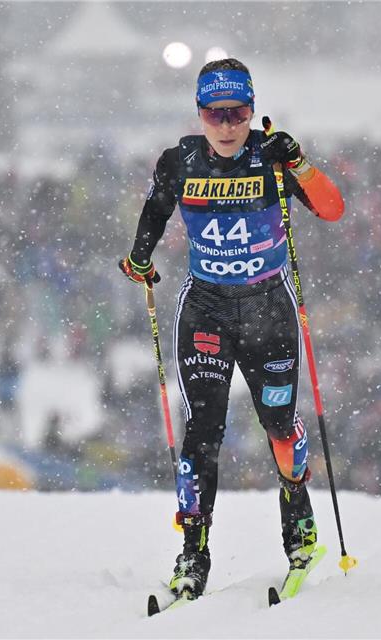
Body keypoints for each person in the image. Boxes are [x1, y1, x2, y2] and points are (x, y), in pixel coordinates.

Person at [118, 58, 345, 599]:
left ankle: (301, 532)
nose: (226, 125)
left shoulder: (271, 157)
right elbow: (155, 211)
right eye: (215, 113)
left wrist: (303, 165)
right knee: (203, 432)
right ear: (199, 113)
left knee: (280, 428)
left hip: (268, 307)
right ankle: (193, 555)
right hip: (208, 310)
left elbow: (332, 210)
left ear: (251, 110)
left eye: (237, 112)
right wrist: (139, 259)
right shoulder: (181, 161)